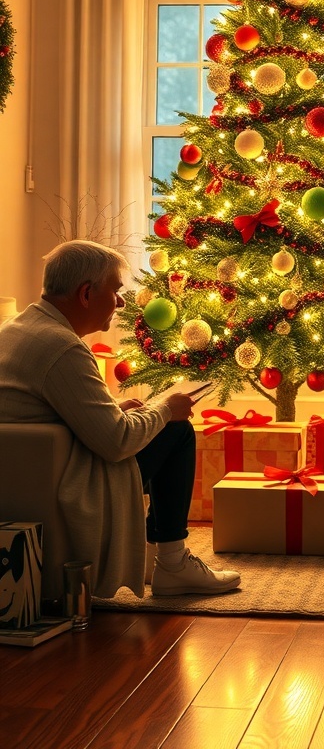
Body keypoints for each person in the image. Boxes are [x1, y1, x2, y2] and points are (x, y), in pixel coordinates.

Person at [0, 240, 241, 599]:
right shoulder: (62, 346)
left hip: (33, 474)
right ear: (85, 294)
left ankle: (156, 555)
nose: (121, 302)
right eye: (116, 290)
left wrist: (113, 406)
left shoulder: (16, 329)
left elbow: (49, 409)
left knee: (158, 420)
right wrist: (164, 410)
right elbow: (115, 443)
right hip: (69, 481)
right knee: (176, 429)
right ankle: (172, 563)